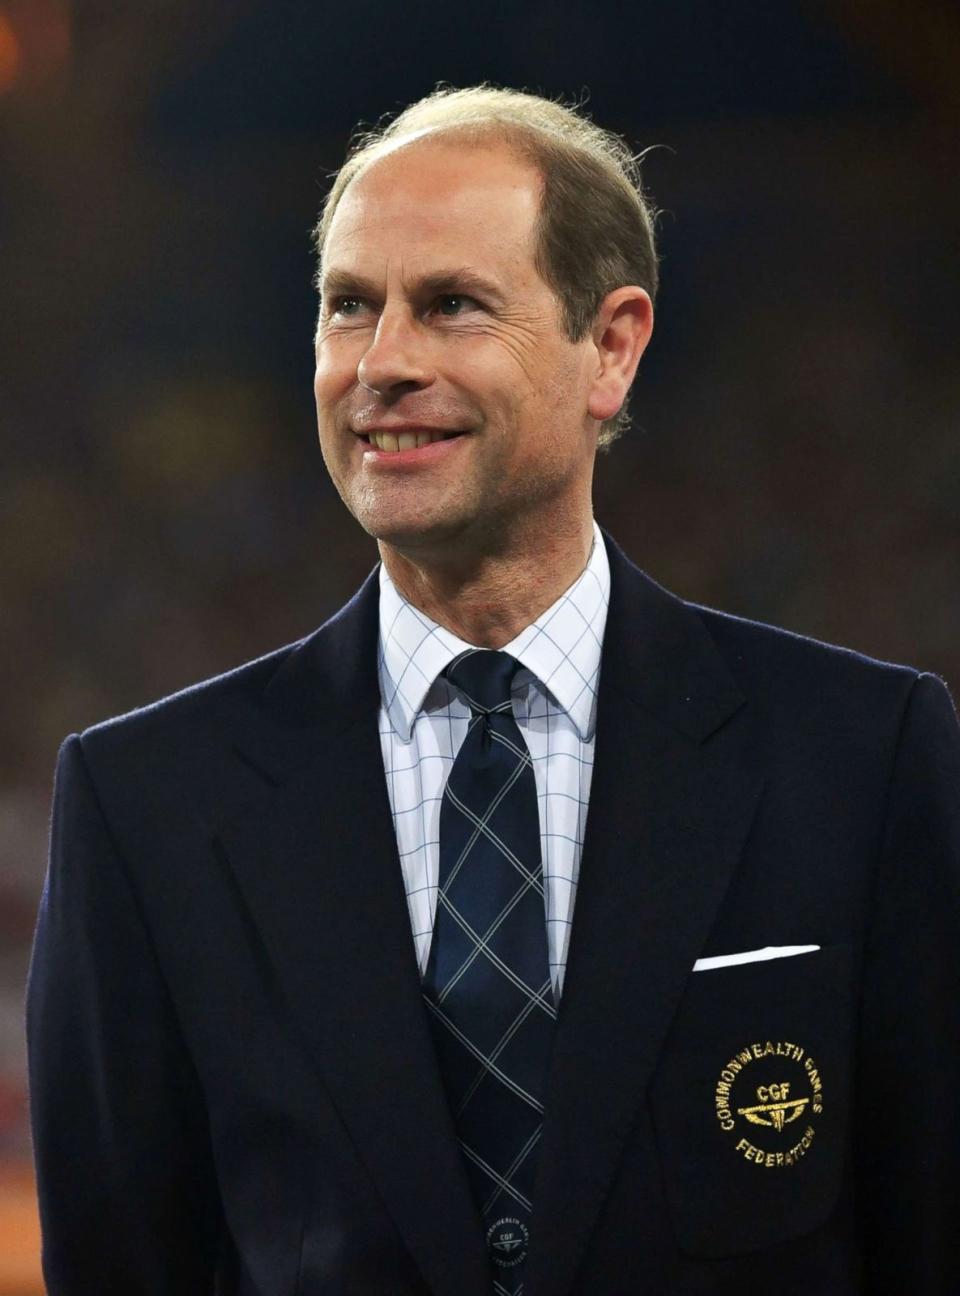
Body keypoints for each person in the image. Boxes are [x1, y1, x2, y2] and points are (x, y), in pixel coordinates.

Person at [26, 86, 960, 1296]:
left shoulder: (865, 754)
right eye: (348, 308)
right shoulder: (144, 800)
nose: (383, 364)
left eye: (451, 306)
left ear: (610, 348)